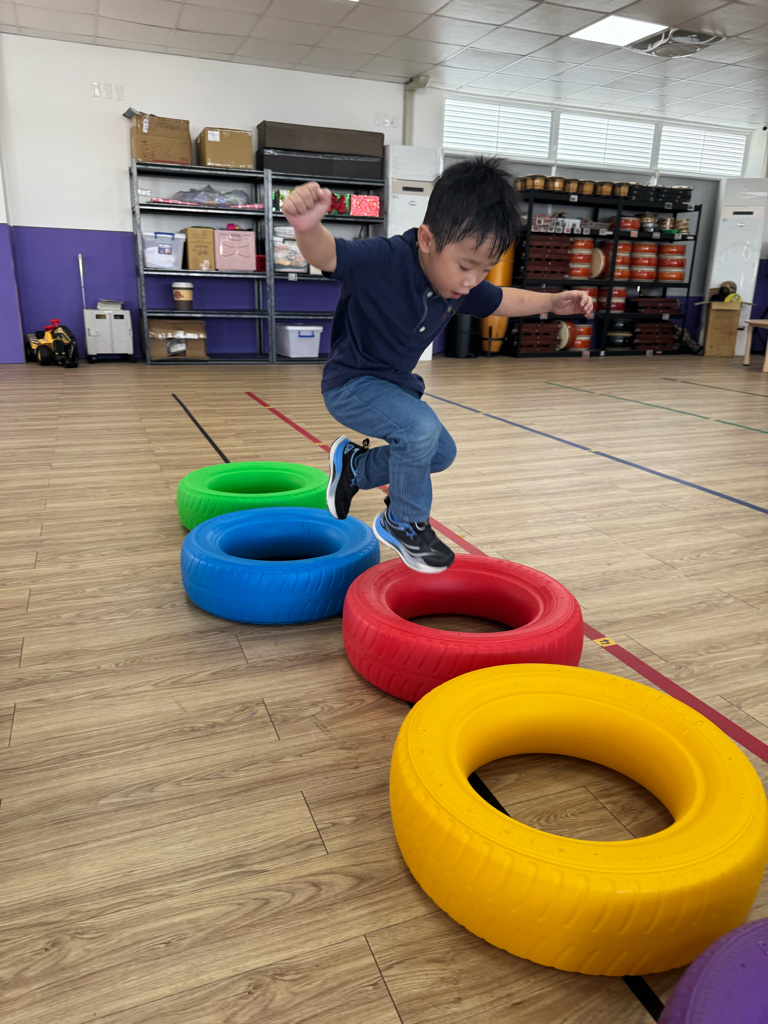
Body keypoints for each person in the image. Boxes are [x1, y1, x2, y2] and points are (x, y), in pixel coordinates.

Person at [281, 156, 593, 574]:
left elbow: (503, 299)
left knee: (441, 452)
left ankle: (356, 467)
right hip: (351, 383)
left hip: (395, 387)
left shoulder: (462, 286)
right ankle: (403, 522)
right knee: (419, 430)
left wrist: (554, 302)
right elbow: (329, 254)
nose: (471, 280)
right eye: (465, 266)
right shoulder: (386, 259)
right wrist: (307, 226)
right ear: (427, 239)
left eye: (484, 269)